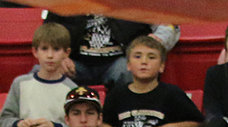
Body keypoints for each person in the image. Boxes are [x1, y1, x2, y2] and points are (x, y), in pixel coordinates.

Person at [99, 34, 202, 127]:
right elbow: (100, 123)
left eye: (151, 57)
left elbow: (198, 123)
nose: (144, 62)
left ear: (162, 66)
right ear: (128, 64)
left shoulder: (171, 93)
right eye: (138, 56)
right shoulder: (117, 93)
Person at [45, 14, 178, 87]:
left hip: (121, 62)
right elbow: (47, 30)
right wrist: (59, 56)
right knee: (42, 71)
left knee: (131, 70)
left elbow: (168, 25)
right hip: (76, 63)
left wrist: (155, 43)